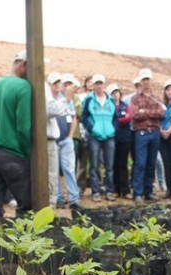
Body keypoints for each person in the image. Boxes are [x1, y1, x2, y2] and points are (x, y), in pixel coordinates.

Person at [0, 50, 32, 224]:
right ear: (24, 64)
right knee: (27, 206)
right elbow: (24, 127)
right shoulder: (24, 87)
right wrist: (28, 153)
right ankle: (25, 246)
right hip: (13, 154)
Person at [130, 68, 164, 203]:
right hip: (141, 133)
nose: (146, 82)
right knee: (140, 163)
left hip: (155, 133)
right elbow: (134, 115)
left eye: (147, 79)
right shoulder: (135, 98)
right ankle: (138, 192)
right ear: (140, 81)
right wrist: (151, 112)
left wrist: (145, 111)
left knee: (151, 163)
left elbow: (161, 113)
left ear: (151, 81)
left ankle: (148, 190)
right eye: (143, 79)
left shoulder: (157, 98)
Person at [82, 73, 117, 202]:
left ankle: (109, 191)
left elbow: (115, 118)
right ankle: (95, 191)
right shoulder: (89, 100)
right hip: (94, 136)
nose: (98, 86)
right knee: (94, 164)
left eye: (100, 83)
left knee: (109, 165)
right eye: (96, 83)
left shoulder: (111, 100)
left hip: (109, 136)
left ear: (104, 84)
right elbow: (84, 117)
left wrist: (113, 129)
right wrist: (92, 129)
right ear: (94, 85)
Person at [45, 72, 72, 206]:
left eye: (58, 82)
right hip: (47, 140)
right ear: (49, 84)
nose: (57, 85)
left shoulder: (57, 98)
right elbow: (53, 110)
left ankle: (53, 202)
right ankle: (51, 204)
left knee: (56, 173)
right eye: (54, 82)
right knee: (51, 174)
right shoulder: (47, 96)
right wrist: (67, 99)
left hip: (56, 140)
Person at [54, 76, 81, 210]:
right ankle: (58, 198)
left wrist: (70, 136)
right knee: (54, 172)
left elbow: (74, 118)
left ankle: (74, 199)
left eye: (60, 82)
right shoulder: (50, 100)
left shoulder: (69, 101)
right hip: (53, 141)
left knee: (69, 170)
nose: (59, 85)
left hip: (66, 140)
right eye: (57, 83)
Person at [110, 83, 133, 198]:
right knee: (114, 164)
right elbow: (109, 119)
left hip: (125, 138)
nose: (116, 94)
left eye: (117, 92)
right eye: (113, 92)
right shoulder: (109, 106)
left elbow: (129, 118)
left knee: (123, 164)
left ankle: (126, 190)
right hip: (113, 138)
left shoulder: (125, 105)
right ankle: (116, 190)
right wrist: (120, 120)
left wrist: (117, 120)